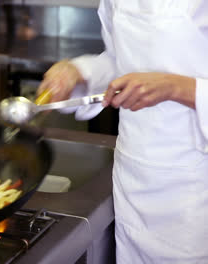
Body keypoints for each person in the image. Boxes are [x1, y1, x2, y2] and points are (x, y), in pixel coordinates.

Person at [37, 1, 208, 263]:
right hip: (134, 173)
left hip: (194, 182)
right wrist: (79, 72)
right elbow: (121, 60)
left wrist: (176, 87)